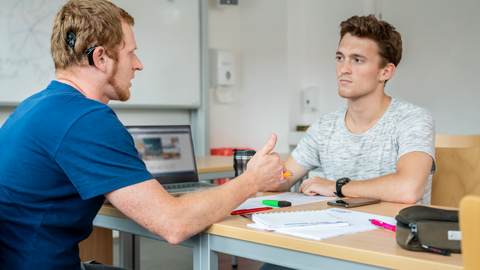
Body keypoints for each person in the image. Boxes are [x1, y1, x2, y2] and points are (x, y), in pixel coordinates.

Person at [0, 1, 285, 269]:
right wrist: (252, 180)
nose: (138, 64)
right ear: (101, 58)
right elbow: (174, 225)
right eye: (130, 53)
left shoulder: (33, 107)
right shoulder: (87, 119)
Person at [260, 13, 435, 270]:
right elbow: (284, 178)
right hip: (332, 241)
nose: (344, 68)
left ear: (385, 72)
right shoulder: (324, 126)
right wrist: (262, 172)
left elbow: (408, 189)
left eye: (358, 60)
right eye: (340, 57)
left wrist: (337, 187)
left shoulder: (414, 119)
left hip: (392, 248)